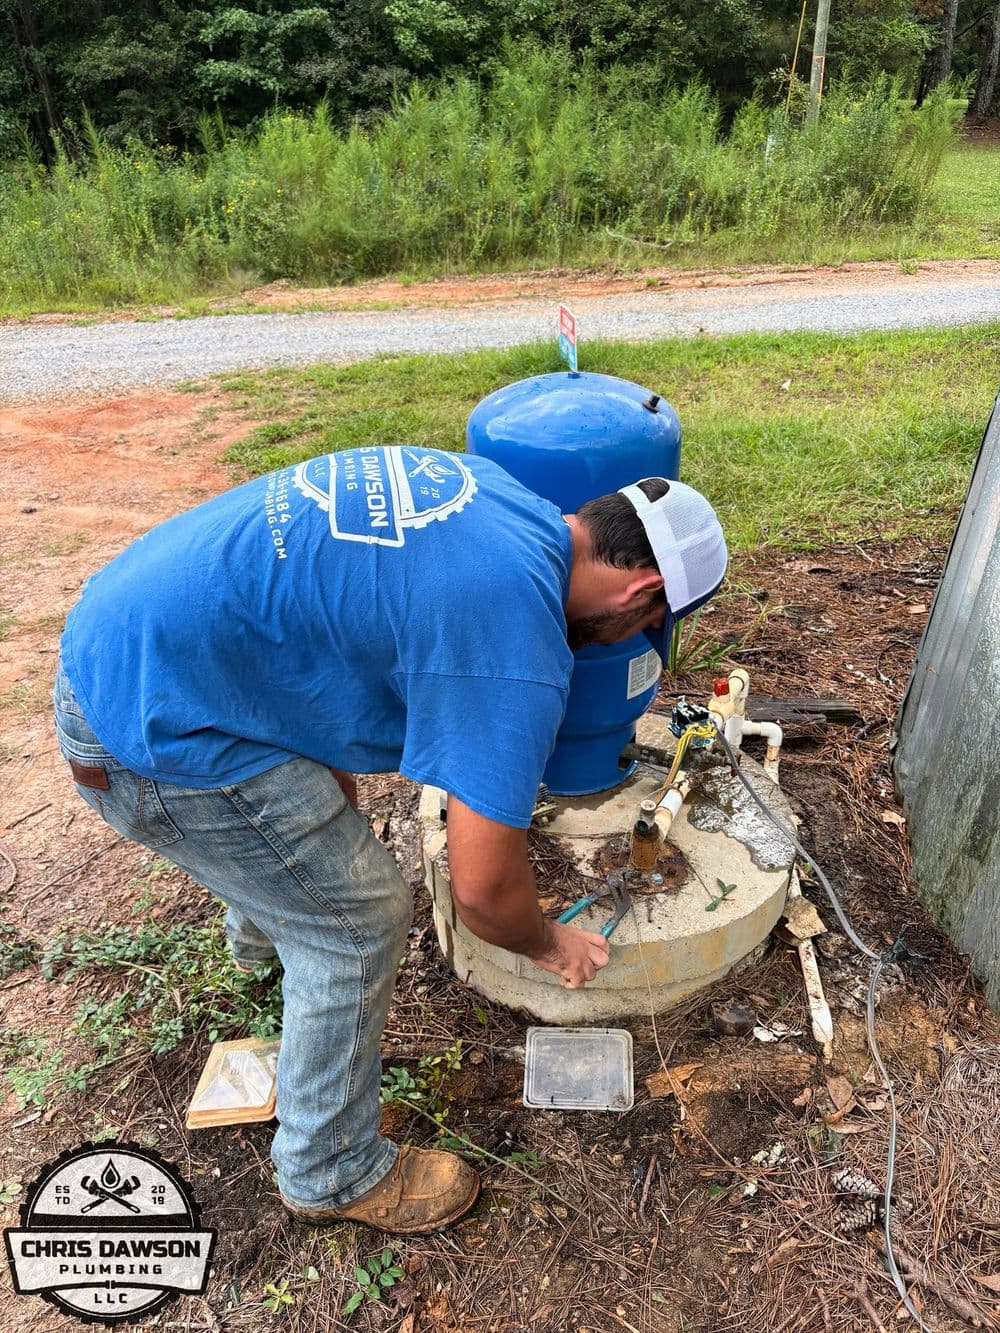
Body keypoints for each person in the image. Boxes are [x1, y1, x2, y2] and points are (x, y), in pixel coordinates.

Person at [53, 445, 726, 1235]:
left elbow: (330, 615)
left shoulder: (498, 495)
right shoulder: (515, 642)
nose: (631, 637)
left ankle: (261, 944)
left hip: (135, 641)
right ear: (645, 589)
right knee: (358, 920)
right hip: (154, 737)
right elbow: (481, 893)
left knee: (310, 841)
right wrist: (548, 942)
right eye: (648, 623)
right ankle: (328, 1168)